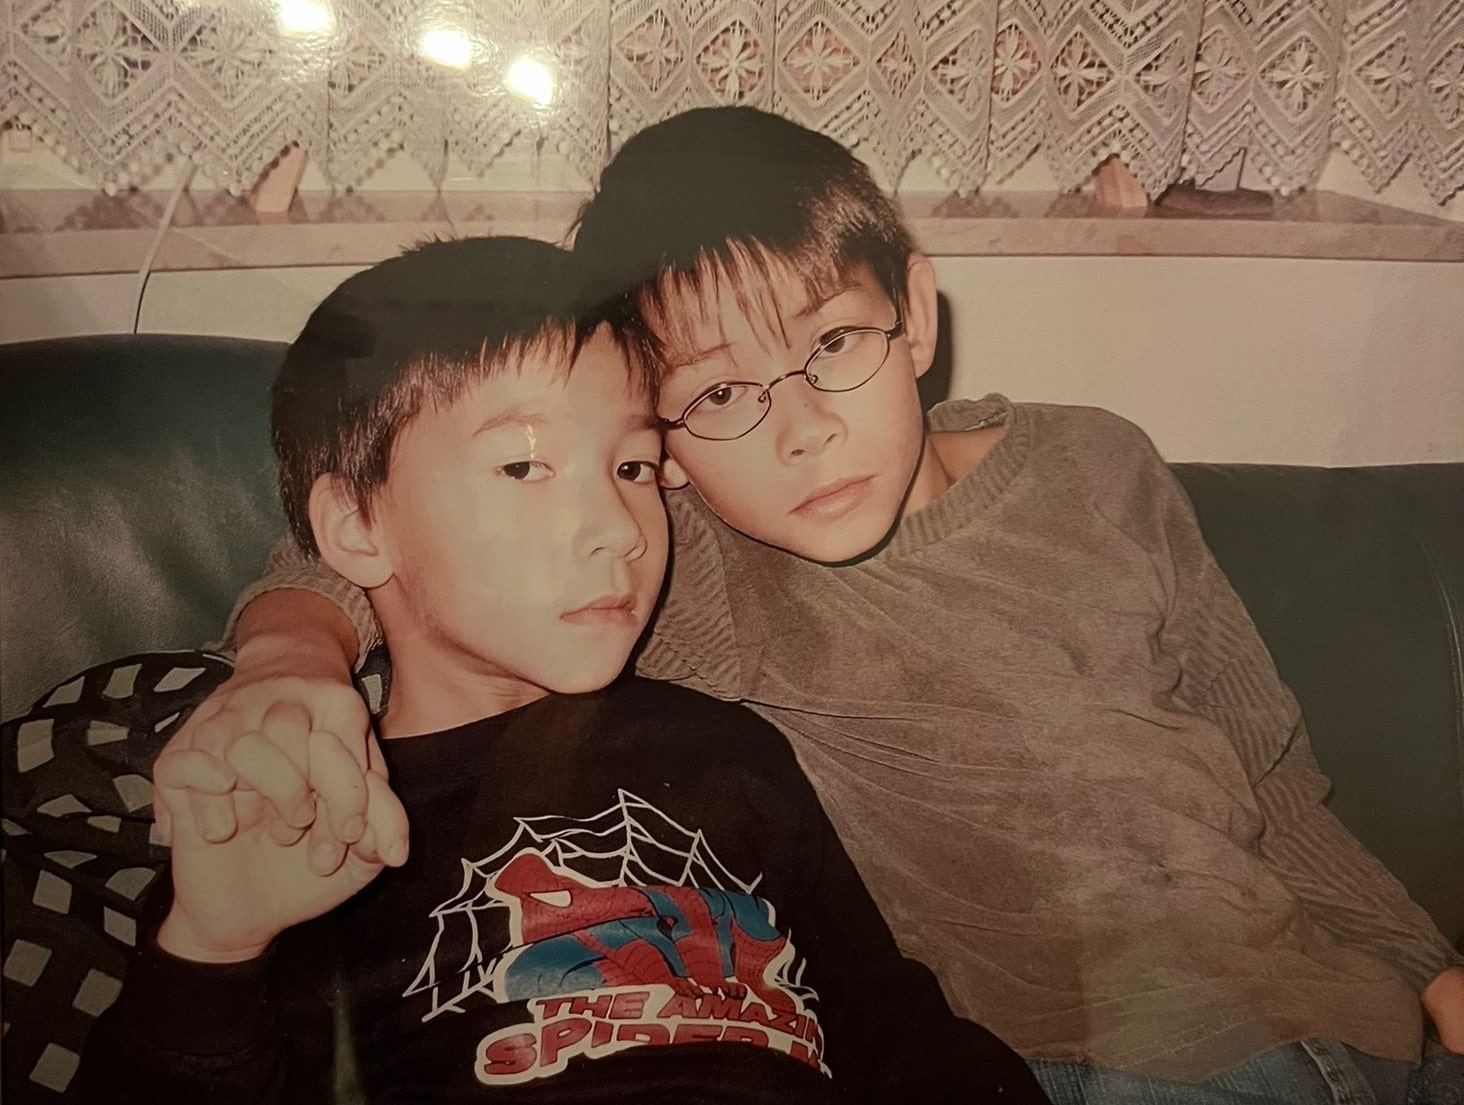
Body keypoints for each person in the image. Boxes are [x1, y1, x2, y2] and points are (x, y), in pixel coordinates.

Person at [11, 107, 1463, 1102]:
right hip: (1115, 1059)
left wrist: (1428, 969)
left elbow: (1272, 770)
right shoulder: (678, 555)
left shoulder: (1102, 462)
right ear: (669, 438)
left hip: (1360, 1017)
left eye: (832, 345)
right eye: (717, 397)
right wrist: (288, 659)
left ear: (917, 312)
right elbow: (391, 541)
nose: (802, 430)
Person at [48, 235, 1044, 1104]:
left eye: (633, 467)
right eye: (524, 467)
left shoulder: (729, 747)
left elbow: (901, 1031)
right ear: (354, 524)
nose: (618, 527)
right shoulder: (304, 810)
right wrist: (212, 948)